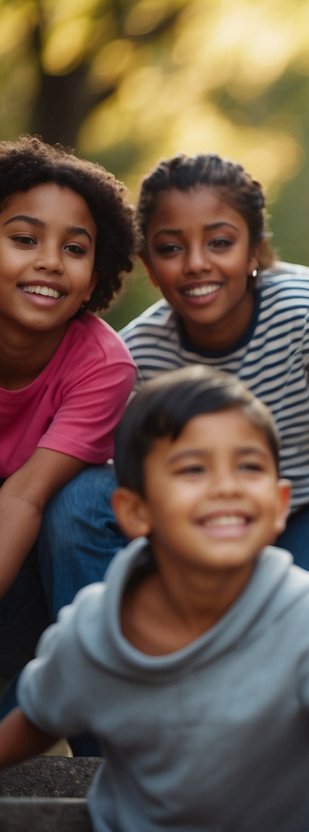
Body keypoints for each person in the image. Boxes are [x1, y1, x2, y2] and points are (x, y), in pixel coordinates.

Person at [0, 366, 309, 832]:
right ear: (135, 511)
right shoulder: (96, 625)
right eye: (193, 468)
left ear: (278, 505)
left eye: (248, 466)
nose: (227, 487)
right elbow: (39, 717)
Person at [42, 153, 309, 651]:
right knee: (80, 500)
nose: (197, 263)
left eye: (220, 242)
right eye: (171, 248)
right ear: (150, 267)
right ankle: (110, 670)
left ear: (255, 251)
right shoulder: (138, 355)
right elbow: (140, 486)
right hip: (204, 517)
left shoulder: (308, 310)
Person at [0, 136, 137, 709]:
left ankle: (106, 750)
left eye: (74, 249)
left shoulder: (102, 365)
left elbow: (26, 498)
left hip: (30, 557)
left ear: (95, 271)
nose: (50, 261)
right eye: (24, 239)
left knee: (79, 499)